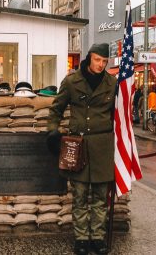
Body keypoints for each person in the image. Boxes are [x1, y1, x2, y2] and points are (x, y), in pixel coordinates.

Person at [46, 43, 115, 255]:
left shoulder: (112, 83)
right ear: (89, 58)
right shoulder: (71, 81)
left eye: (104, 61)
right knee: (80, 195)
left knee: (101, 197)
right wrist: (52, 131)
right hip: (79, 145)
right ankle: (81, 239)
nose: (101, 65)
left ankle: (97, 237)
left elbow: (118, 114)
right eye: (97, 60)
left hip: (102, 146)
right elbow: (56, 109)